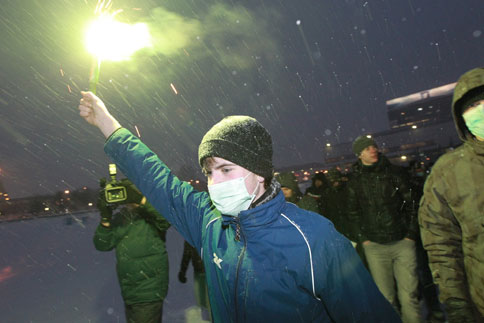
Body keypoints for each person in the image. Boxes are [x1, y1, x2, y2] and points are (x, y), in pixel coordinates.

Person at [79, 91, 400, 322]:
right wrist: (108, 125)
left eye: (227, 169)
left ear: (259, 172)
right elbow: (157, 180)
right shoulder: (209, 221)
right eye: (209, 172)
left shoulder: (315, 239)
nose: (215, 182)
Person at [419, 67, 484, 322]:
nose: (479, 110)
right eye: (471, 107)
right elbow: (441, 246)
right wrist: (457, 306)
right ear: (461, 118)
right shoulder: (448, 172)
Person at [346, 136, 421, 323]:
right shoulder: (355, 181)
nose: (373, 150)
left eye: (374, 147)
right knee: (386, 298)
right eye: (367, 148)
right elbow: (352, 213)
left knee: (409, 296)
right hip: (376, 247)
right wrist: (365, 240)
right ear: (359, 155)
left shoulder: (394, 173)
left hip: (402, 242)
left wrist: (410, 235)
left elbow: (412, 204)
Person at [94, 178, 170, 323]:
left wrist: (140, 200)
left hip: (149, 291)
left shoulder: (152, 215)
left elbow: (166, 221)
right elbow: (102, 244)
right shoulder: (121, 218)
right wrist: (105, 217)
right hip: (130, 292)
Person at [178, 240, 211, 321]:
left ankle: (210, 319)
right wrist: (183, 271)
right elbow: (187, 251)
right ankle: (207, 319)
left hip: (210, 273)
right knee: (202, 302)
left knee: (210, 303)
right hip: (199, 271)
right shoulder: (190, 234)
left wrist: (183, 271)